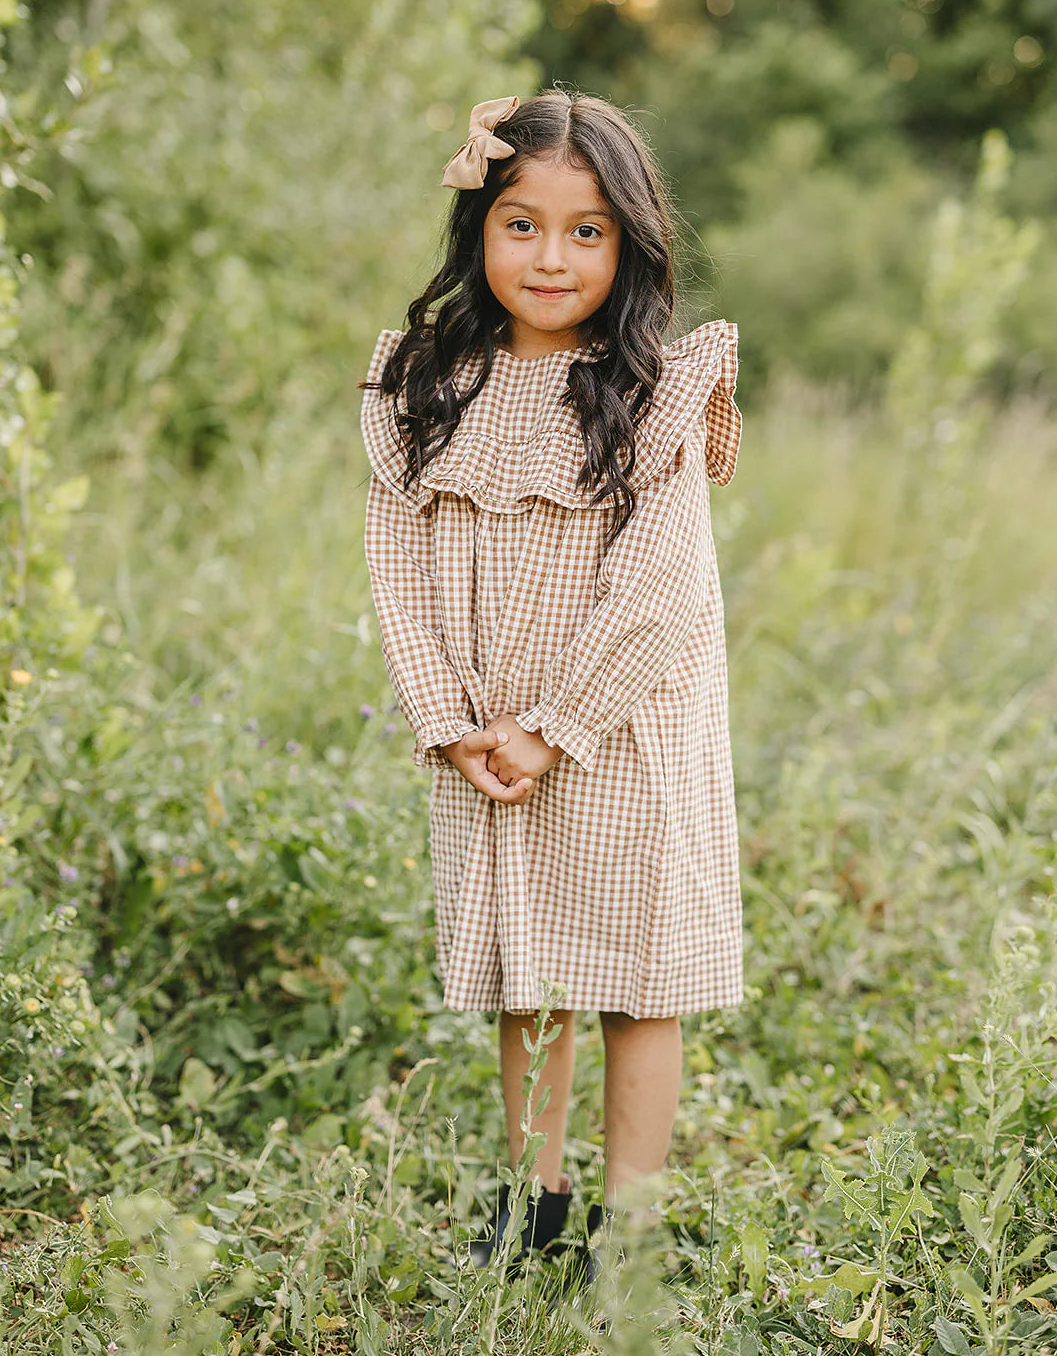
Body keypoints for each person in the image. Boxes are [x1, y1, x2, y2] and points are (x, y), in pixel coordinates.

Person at [358, 87, 744, 1279]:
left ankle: (629, 1224)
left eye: (587, 231)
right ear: (477, 227)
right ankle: (538, 1197)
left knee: (634, 971)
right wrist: (451, 721)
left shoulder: (652, 392)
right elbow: (398, 571)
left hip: (621, 724)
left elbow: (660, 591)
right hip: (485, 732)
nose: (551, 255)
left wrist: (559, 724)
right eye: (520, 222)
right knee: (528, 969)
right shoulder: (426, 387)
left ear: (628, 244)